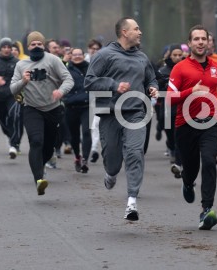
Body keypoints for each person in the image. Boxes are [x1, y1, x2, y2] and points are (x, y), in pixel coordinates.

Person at [84, 17, 158, 221]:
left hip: (136, 112)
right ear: (124, 32)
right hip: (110, 114)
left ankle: (131, 202)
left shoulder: (142, 57)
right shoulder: (104, 55)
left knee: (135, 153)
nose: (140, 32)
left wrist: (153, 87)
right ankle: (110, 173)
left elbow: (150, 77)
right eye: (136, 28)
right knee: (113, 161)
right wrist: (113, 85)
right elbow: (89, 82)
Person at [167, 24, 217, 230]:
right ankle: (188, 183)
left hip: (210, 122)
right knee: (191, 168)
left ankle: (207, 209)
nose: (200, 42)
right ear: (189, 43)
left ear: (208, 43)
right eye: (196, 39)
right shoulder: (180, 68)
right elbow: (170, 98)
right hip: (185, 125)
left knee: (209, 161)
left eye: (203, 39)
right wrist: (191, 90)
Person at [10, 31, 74, 196]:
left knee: (48, 147)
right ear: (28, 47)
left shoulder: (53, 60)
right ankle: (39, 179)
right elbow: (12, 89)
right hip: (32, 109)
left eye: (39, 43)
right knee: (36, 141)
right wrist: (23, 81)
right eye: (33, 44)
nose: (36, 46)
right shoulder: (21, 65)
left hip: (53, 109)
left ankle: (42, 163)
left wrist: (60, 91)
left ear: (43, 45)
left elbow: (69, 79)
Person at [0, 37, 24, 158]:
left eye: (9, 47)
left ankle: (14, 144)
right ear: (0, 49)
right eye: (4, 47)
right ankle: (11, 137)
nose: (7, 49)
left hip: (12, 94)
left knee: (14, 116)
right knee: (3, 121)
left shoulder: (17, 62)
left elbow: (24, 77)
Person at [156, 44, 184, 178]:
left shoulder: (187, 69)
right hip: (167, 107)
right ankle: (170, 146)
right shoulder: (162, 71)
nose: (178, 57)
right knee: (170, 133)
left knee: (180, 137)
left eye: (180, 55)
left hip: (183, 107)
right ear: (170, 56)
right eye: (175, 55)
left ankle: (179, 164)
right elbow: (156, 87)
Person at [63, 48, 91, 173]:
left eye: (80, 54)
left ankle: (85, 158)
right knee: (74, 136)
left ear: (84, 56)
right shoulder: (66, 69)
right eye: (75, 55)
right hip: (71, 107)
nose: (78, 57)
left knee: (86, 132)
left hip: (87, 106)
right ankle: (77, 156)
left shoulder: (90, 68)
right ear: (71, 56)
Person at [85, 38, 103, 163]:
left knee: (96, 123)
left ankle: (94, 149)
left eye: (97, 49)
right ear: (88, 49)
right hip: (84, 98)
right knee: (87, 127)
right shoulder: (82, 60)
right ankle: (88, 147)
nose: (95, 51)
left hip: (99, 96)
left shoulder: (104, 62)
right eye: (93, 49)